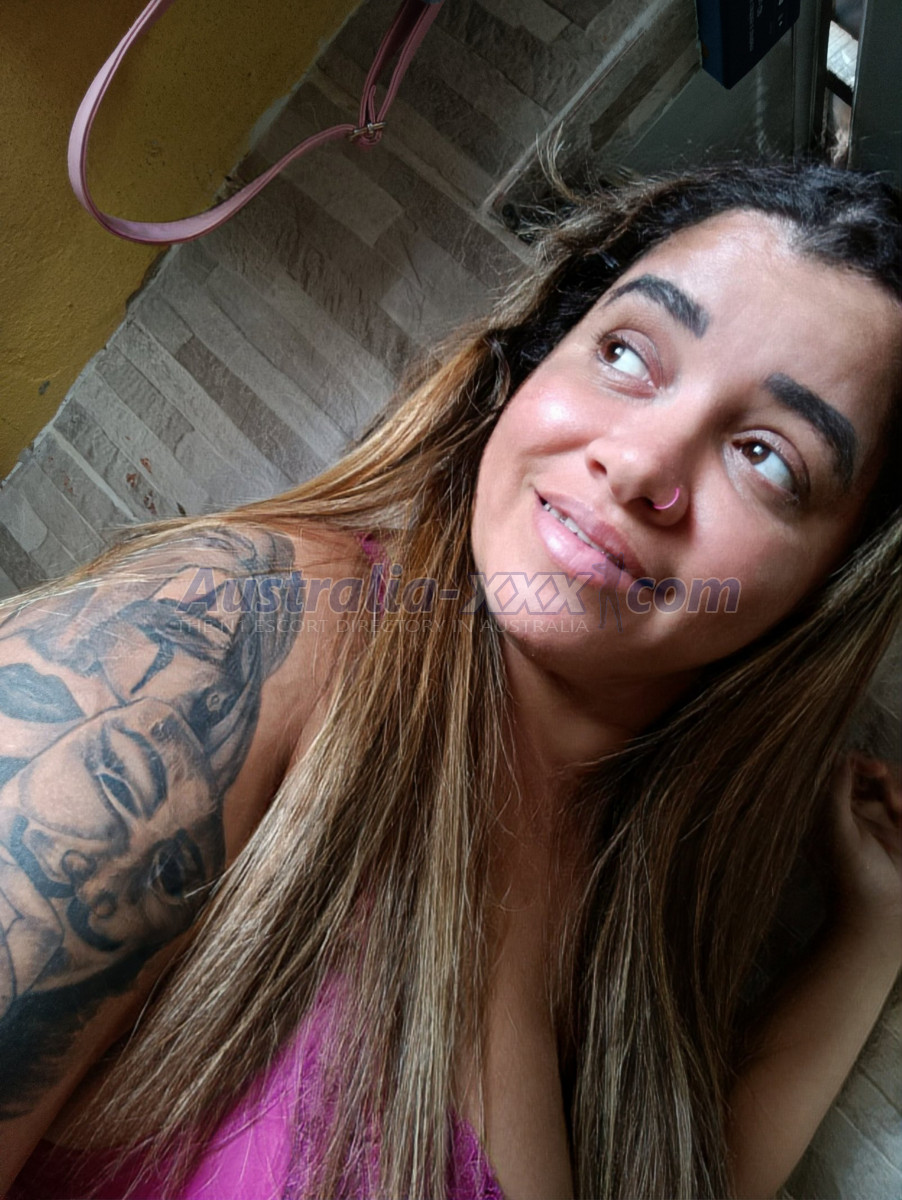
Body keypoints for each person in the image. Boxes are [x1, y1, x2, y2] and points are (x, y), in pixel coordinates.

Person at [1, 161, 900, 1200]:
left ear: (826, 590)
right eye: (624, 352)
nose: (639, 465)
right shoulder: (236, 630)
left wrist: (869, 937)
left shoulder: (627, 907)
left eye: (768, 458)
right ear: (533, 361)